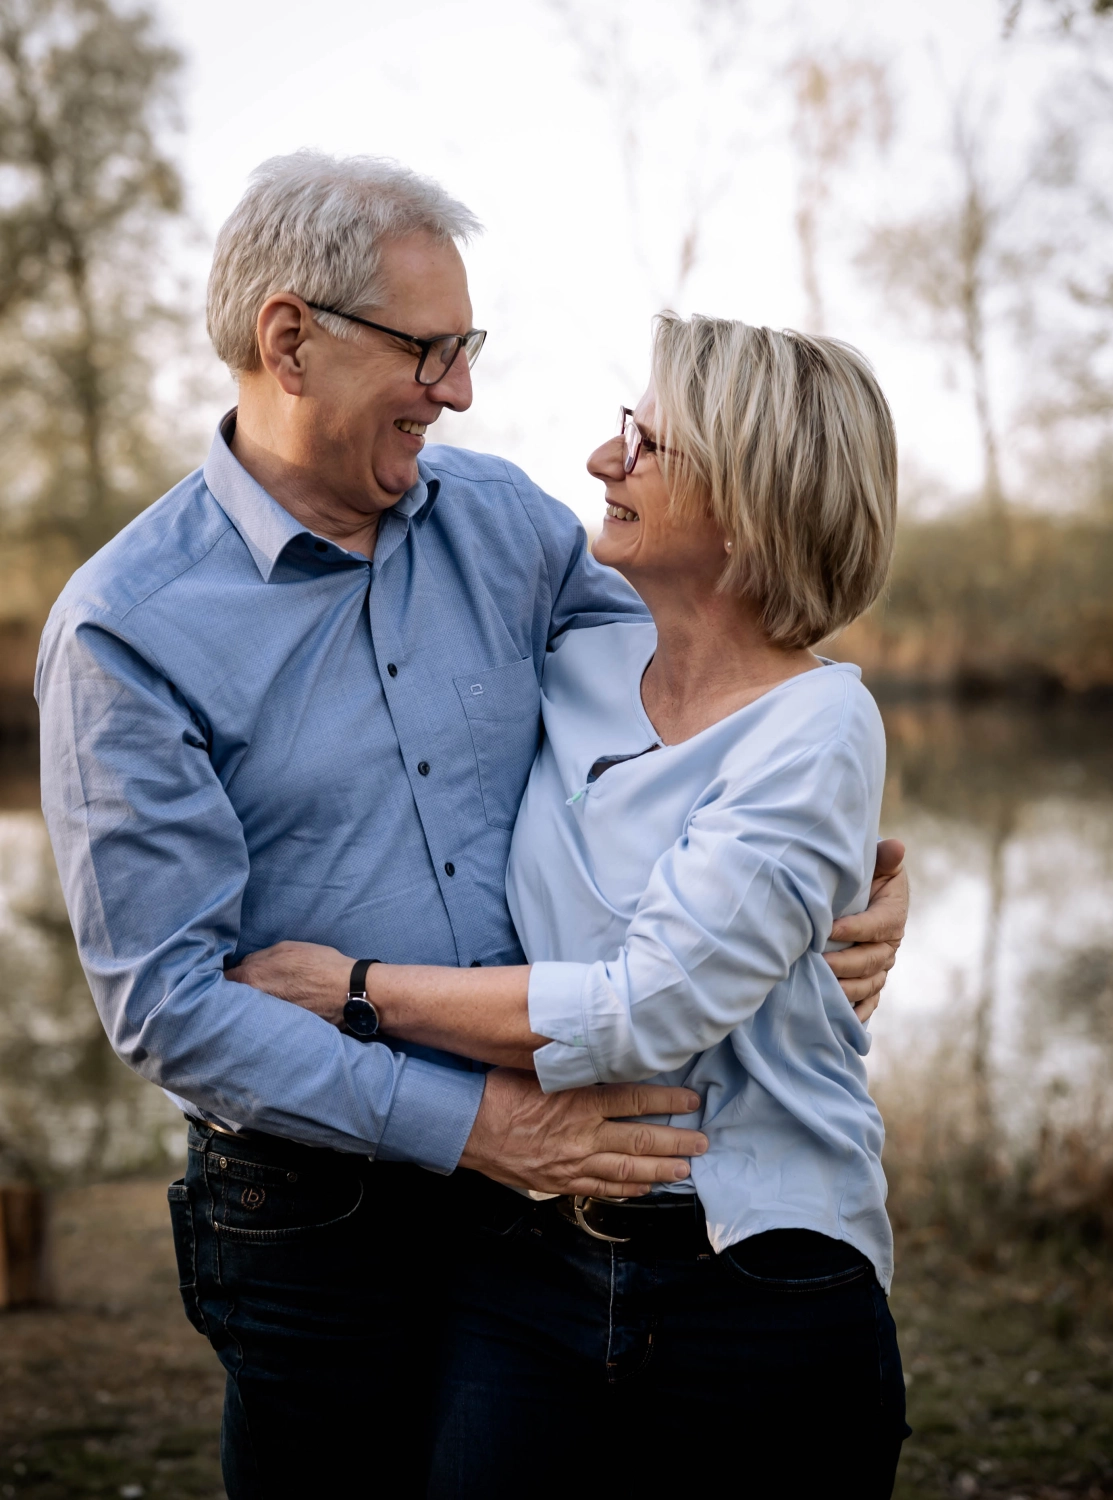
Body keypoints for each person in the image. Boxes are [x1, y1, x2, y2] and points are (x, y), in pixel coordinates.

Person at [36, 151, 906, 1498]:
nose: (462, 390)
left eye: (469, 348)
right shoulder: (126, 631)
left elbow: (723, 694)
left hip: (547, 1211)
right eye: (432, 350)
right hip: (317, 1209)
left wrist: (832, 903)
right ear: (290, 340)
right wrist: (482, 1126)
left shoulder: (507, 525)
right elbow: (168, 1006)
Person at [234, 315, 911, 1497]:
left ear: (755, 499)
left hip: (753, 1274)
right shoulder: (577, 667)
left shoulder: (821, 725)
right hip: (529, 1259)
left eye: (647, 442)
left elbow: (647, 1009)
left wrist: (351, 992)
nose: (605, 462)